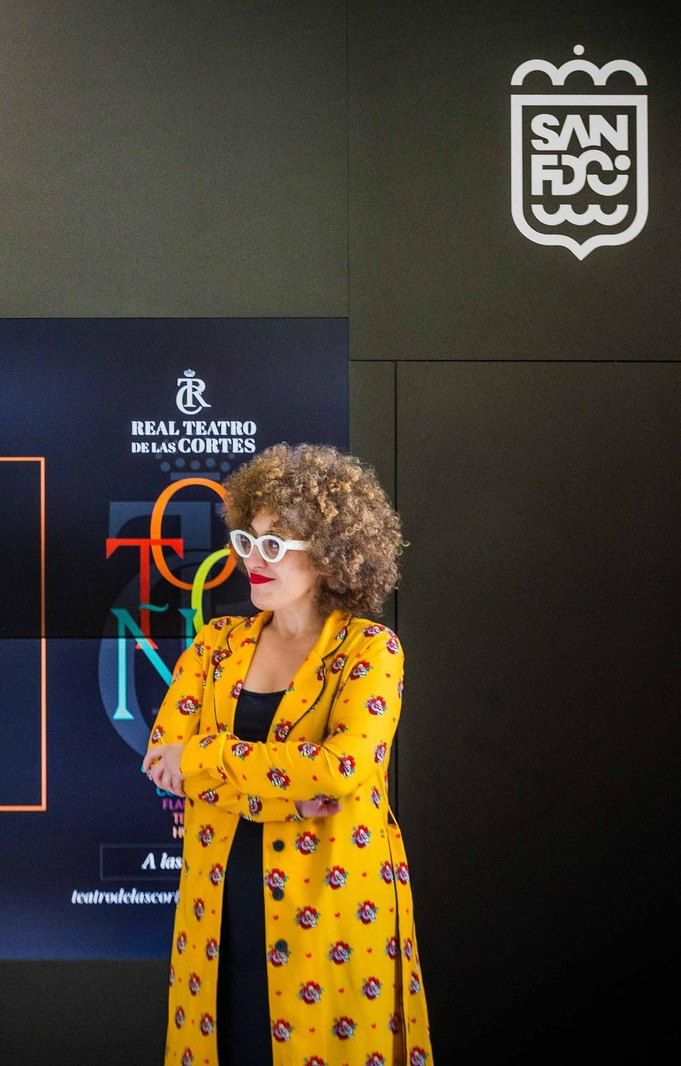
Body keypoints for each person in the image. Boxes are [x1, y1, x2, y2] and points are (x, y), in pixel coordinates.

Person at [142, 444, 431, 1066]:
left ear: (330, 556)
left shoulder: (371, 651)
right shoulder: (216, 645)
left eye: (275, 546)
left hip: (329, 912)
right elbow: (164, 762)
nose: (253, 560)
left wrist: (210, 756)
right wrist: (286, 789)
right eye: (248, 542)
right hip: (218, 909)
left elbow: (342, 770)